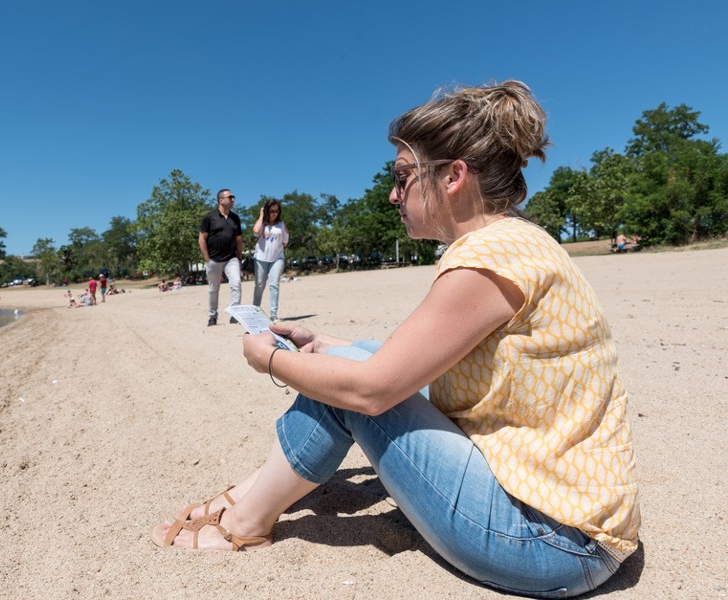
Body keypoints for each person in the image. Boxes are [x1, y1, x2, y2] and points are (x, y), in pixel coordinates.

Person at [152, 81, 640, 598]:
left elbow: (372, 391)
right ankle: (251, 492)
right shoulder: (516, 244)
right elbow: (401, 361)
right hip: (564, 518)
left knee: (351, 388)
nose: (393, 194)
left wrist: (271, 361)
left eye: (403, 177)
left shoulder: (489, 258)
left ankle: (246, 520)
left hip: (551, 542)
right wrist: (323, 341)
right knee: (353, 354)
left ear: (453, 176)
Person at [199, 188, 243, 326]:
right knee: (213, 289)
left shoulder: (235, 218)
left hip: (231, 258)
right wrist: (207, 258)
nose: (233, 199)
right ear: (221, 200)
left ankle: (234, 314)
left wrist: (239, 257)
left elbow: (239, 239)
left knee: (236, 283)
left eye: (233, 197)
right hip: (213, 260)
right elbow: (202, 238)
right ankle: (212, 316)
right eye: (230, 197)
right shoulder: (209, 218)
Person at [252, 199, 290, 321]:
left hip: (277, 259)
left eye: (276, 211)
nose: (274, 214)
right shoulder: (262, 224)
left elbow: (285, 243)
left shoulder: (281, 224)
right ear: (266, 211)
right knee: (259, 285)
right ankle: (255, 310)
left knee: (274, 285)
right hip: (261, 258)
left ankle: (273, 315)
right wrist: (261, 216)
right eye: (271, 211)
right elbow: (255, 231)